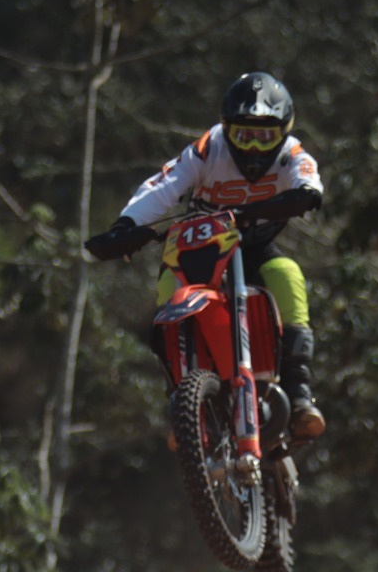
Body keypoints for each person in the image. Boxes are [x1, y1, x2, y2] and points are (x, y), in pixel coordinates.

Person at [85, 71, 327, 439]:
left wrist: (305, 194)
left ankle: (299, 396)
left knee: (288, 275)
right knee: (169, 295)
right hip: (200, 247)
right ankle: (182, 406)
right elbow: (163, 187)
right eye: (243, 135)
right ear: (225, 128)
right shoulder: (208, 148)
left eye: (265, 137)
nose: (253, 149)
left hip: (256, 246)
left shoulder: (292, 153)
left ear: (285, 131)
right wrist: (125, 227)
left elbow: (308, 182)